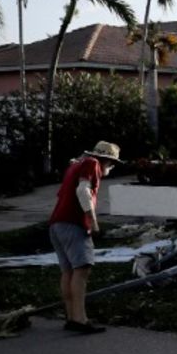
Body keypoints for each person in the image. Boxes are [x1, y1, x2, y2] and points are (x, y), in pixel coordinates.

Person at [48, 141, 122, 333]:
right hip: (73, 223)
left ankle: (71, 317)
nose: (110, 168)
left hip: (57, 223)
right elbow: (83, 191)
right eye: (111, 163)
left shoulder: (76, 165)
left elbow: (63, 193)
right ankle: (80, 320)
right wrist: (93, 221)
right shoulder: (92, 164)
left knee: (68, 271)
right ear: (106, 159)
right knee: (82, 270)